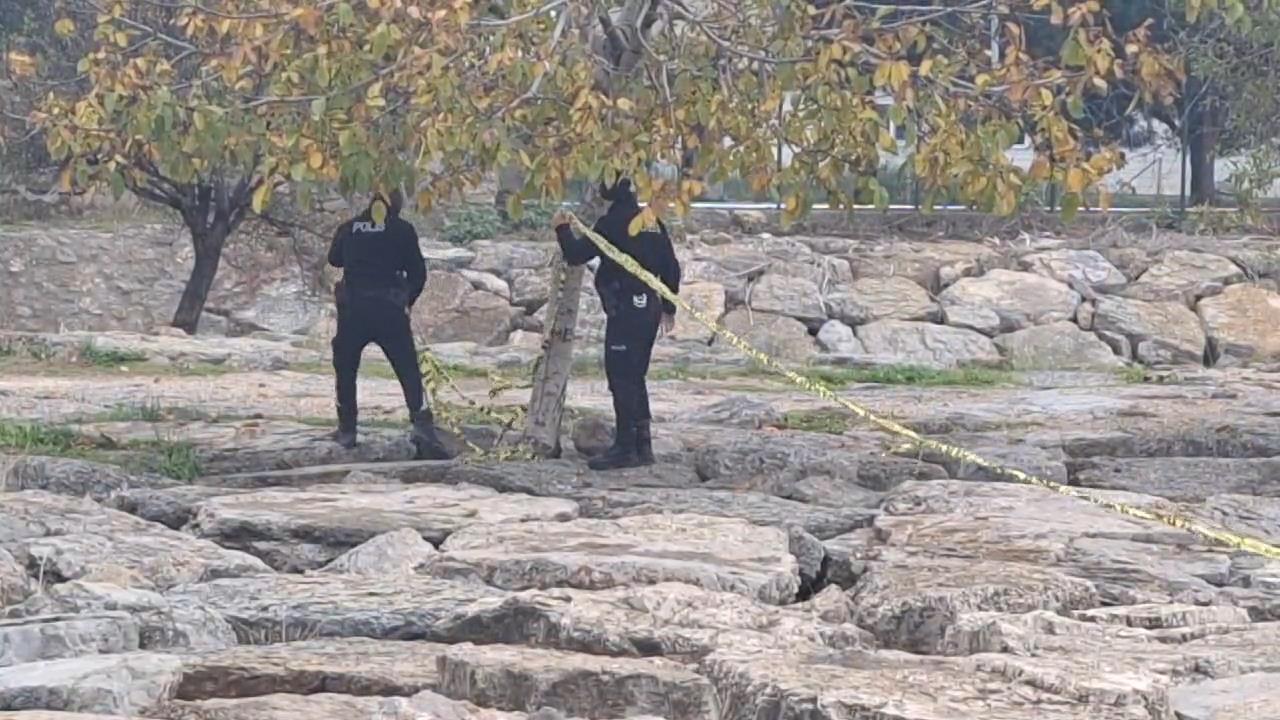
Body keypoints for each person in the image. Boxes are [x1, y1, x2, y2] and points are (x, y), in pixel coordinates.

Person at [552, 177, 681, 471]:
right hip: (649, 307)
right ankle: (643, 446)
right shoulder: (649, 219)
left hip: (626, 309)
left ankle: (625, 447)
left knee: (621, 377)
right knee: (636, 376)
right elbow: (672, 267)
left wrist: (561, 229)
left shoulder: (610, 224)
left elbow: (575, 255)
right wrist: (669, 307)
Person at [327, 188, 451, 460]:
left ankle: (347, 429)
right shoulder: (402, 230)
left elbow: (333, 258)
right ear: (396, 204)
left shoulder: (350, 228)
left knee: (346, 368)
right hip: (389, 309)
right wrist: (407, 300)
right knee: (407, 369)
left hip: (354, 310)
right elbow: (418, 272)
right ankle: (423, 428)